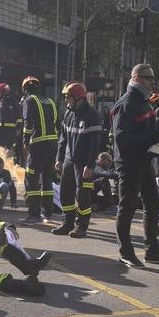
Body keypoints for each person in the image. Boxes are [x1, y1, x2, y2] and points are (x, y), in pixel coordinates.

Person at [111, 64, 159, 268]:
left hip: (144, 160)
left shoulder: (144, 102)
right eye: (148, 78)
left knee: (153, 204)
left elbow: (146, 130)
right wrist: (149, 139)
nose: (152, 82)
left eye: (153, 78)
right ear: (137, 78)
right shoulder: (127, 103)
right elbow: (121, 138)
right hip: (129, 162)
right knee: (127, 207)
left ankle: (152, 250)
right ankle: (126, 252)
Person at [52, 82, 101, 238]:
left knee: (82, 195)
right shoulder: (68, 114)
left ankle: (81, 226)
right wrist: (59, 158)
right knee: (65, 192)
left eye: (68, 98)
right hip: (68, 159)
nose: (67, 101)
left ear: (79, 98)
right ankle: (67, 223)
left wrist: (90, 164)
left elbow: (95, 144)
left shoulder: (92, 115)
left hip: (83, 163)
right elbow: (63, 139)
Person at [21, 76, 58, 223]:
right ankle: (47, 213)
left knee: (32, 178)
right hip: (52, 143)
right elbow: (55, 121)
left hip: (37, 144)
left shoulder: (29, 101)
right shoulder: (50, 101)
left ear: (25, 89)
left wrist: (25, 140)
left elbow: (28, 123)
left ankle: (33, 214)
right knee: (47, 178)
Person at [0, 82, 22, 155]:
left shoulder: (13, 101)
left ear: (4, 92)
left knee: (9, 150)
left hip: (10, 130)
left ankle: (10, 165)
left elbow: (19, 116)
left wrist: (18, 129)